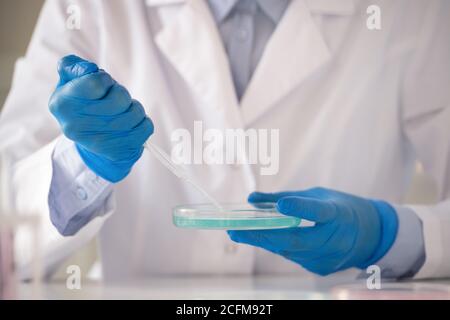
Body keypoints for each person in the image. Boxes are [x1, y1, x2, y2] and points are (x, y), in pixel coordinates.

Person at [0, 0, 449, 282]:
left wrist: (389, 236)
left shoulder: (414, 12)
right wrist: (81, 167)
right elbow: (6, 228)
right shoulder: (89, 7)